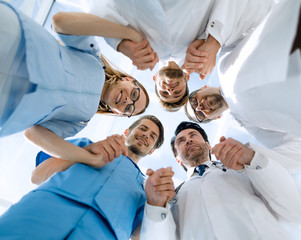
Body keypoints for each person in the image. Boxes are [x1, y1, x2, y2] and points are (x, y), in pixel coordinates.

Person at [0, 2, 151, 164]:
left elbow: (33, 133)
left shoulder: (79, 121)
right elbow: (60, 21)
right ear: (128, 80)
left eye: (129, 109)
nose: (128, 101)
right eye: (134, 94)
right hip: (12, 38)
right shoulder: (93, 57)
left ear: (118, 113)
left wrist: (91, 159)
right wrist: (127, 34)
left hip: (6, 103)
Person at [0, 115, 175, 240]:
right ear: (127, 131)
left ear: (152, 150)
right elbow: (37, 176)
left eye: (153, 136)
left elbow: (136, 236)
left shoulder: (146, 190)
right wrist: (86, 153)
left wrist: (155, 202)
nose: (146, 134)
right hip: (41, 211)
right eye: (143, 128)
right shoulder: (87, 145)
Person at [185, 0, 301, 141]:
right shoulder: (254, 129)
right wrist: (252, 158)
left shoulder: (224, 56)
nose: (199, 107)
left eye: (193, 100)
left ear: (202, 87)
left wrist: (213, 40)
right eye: (199, 114)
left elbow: (248, 7)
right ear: (215, 118)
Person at [140, 121, 301, 239]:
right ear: (178, 159)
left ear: (208, 145)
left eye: (193, 135)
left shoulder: (246, 170)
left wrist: (254, 161)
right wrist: (156, 207)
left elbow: (296, 212)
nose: (188, 140)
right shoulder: (170, 200)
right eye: (181, 141)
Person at [88, 0, 275, 110]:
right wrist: (214, 40)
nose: (170, 89)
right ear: (186, 78)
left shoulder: (136, 49)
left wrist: (120, 43)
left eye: (164, 92)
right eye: (176, 92)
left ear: (155, 79)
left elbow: (96, 5)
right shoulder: (208, 43)